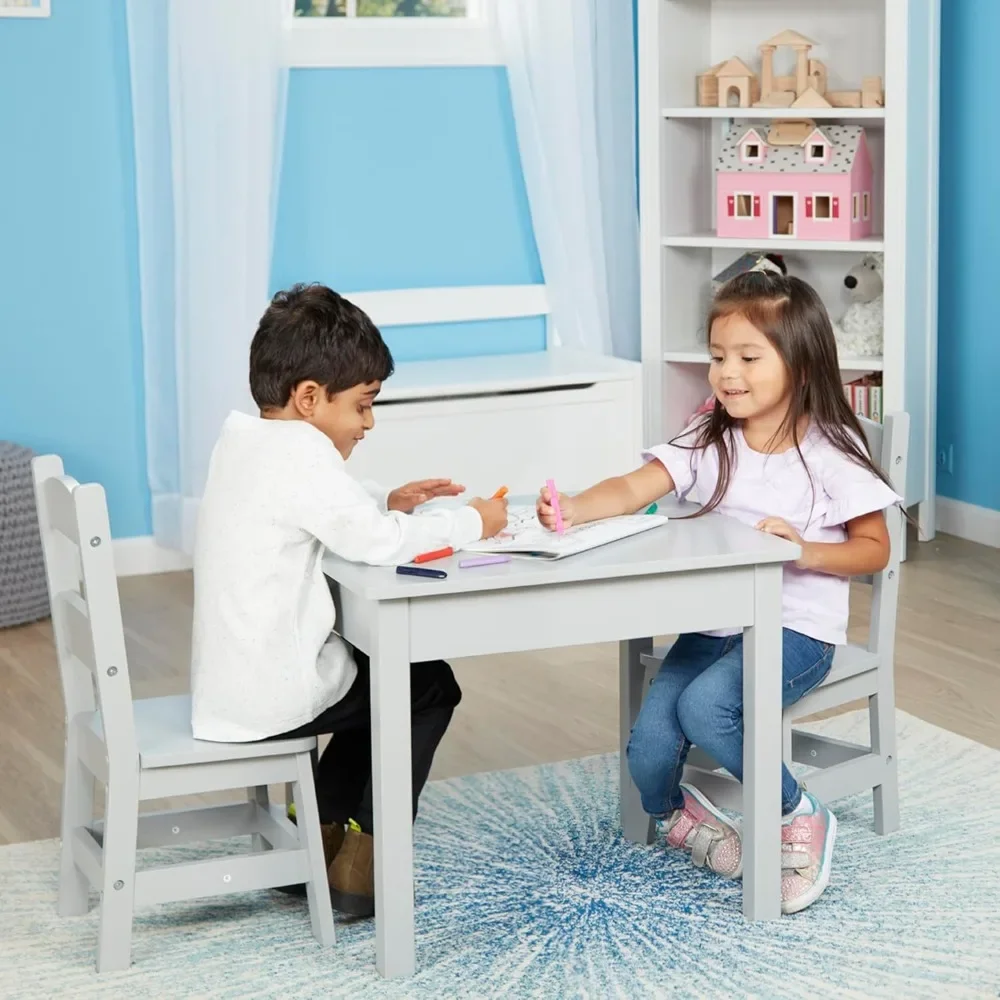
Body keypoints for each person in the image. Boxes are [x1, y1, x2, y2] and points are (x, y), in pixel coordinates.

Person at [536, 271, 900, 914]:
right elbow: (630, 488)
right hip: (714, 625)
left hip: (797, 628)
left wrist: (804, 550)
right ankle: (683, 820)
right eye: (717, 357)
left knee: (706, 709)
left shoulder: (831, 452)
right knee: (647, 745)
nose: (727, 373)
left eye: (748, 357)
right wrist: (574, 507)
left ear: (801, 361)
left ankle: (798, 812)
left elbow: (876, 549)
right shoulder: (709, 440)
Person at [191, 283, 508, 917]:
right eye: (363, 406)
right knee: (427, 685)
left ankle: (320, 830)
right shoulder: (301, 459)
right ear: (309, 398)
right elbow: (374, 545)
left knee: (398, 683)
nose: (369, 423)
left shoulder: (250, 442)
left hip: (234, 679)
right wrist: (475, 521)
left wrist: (384, 503)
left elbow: (323, 514)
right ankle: (363, 862)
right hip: (271, 690)